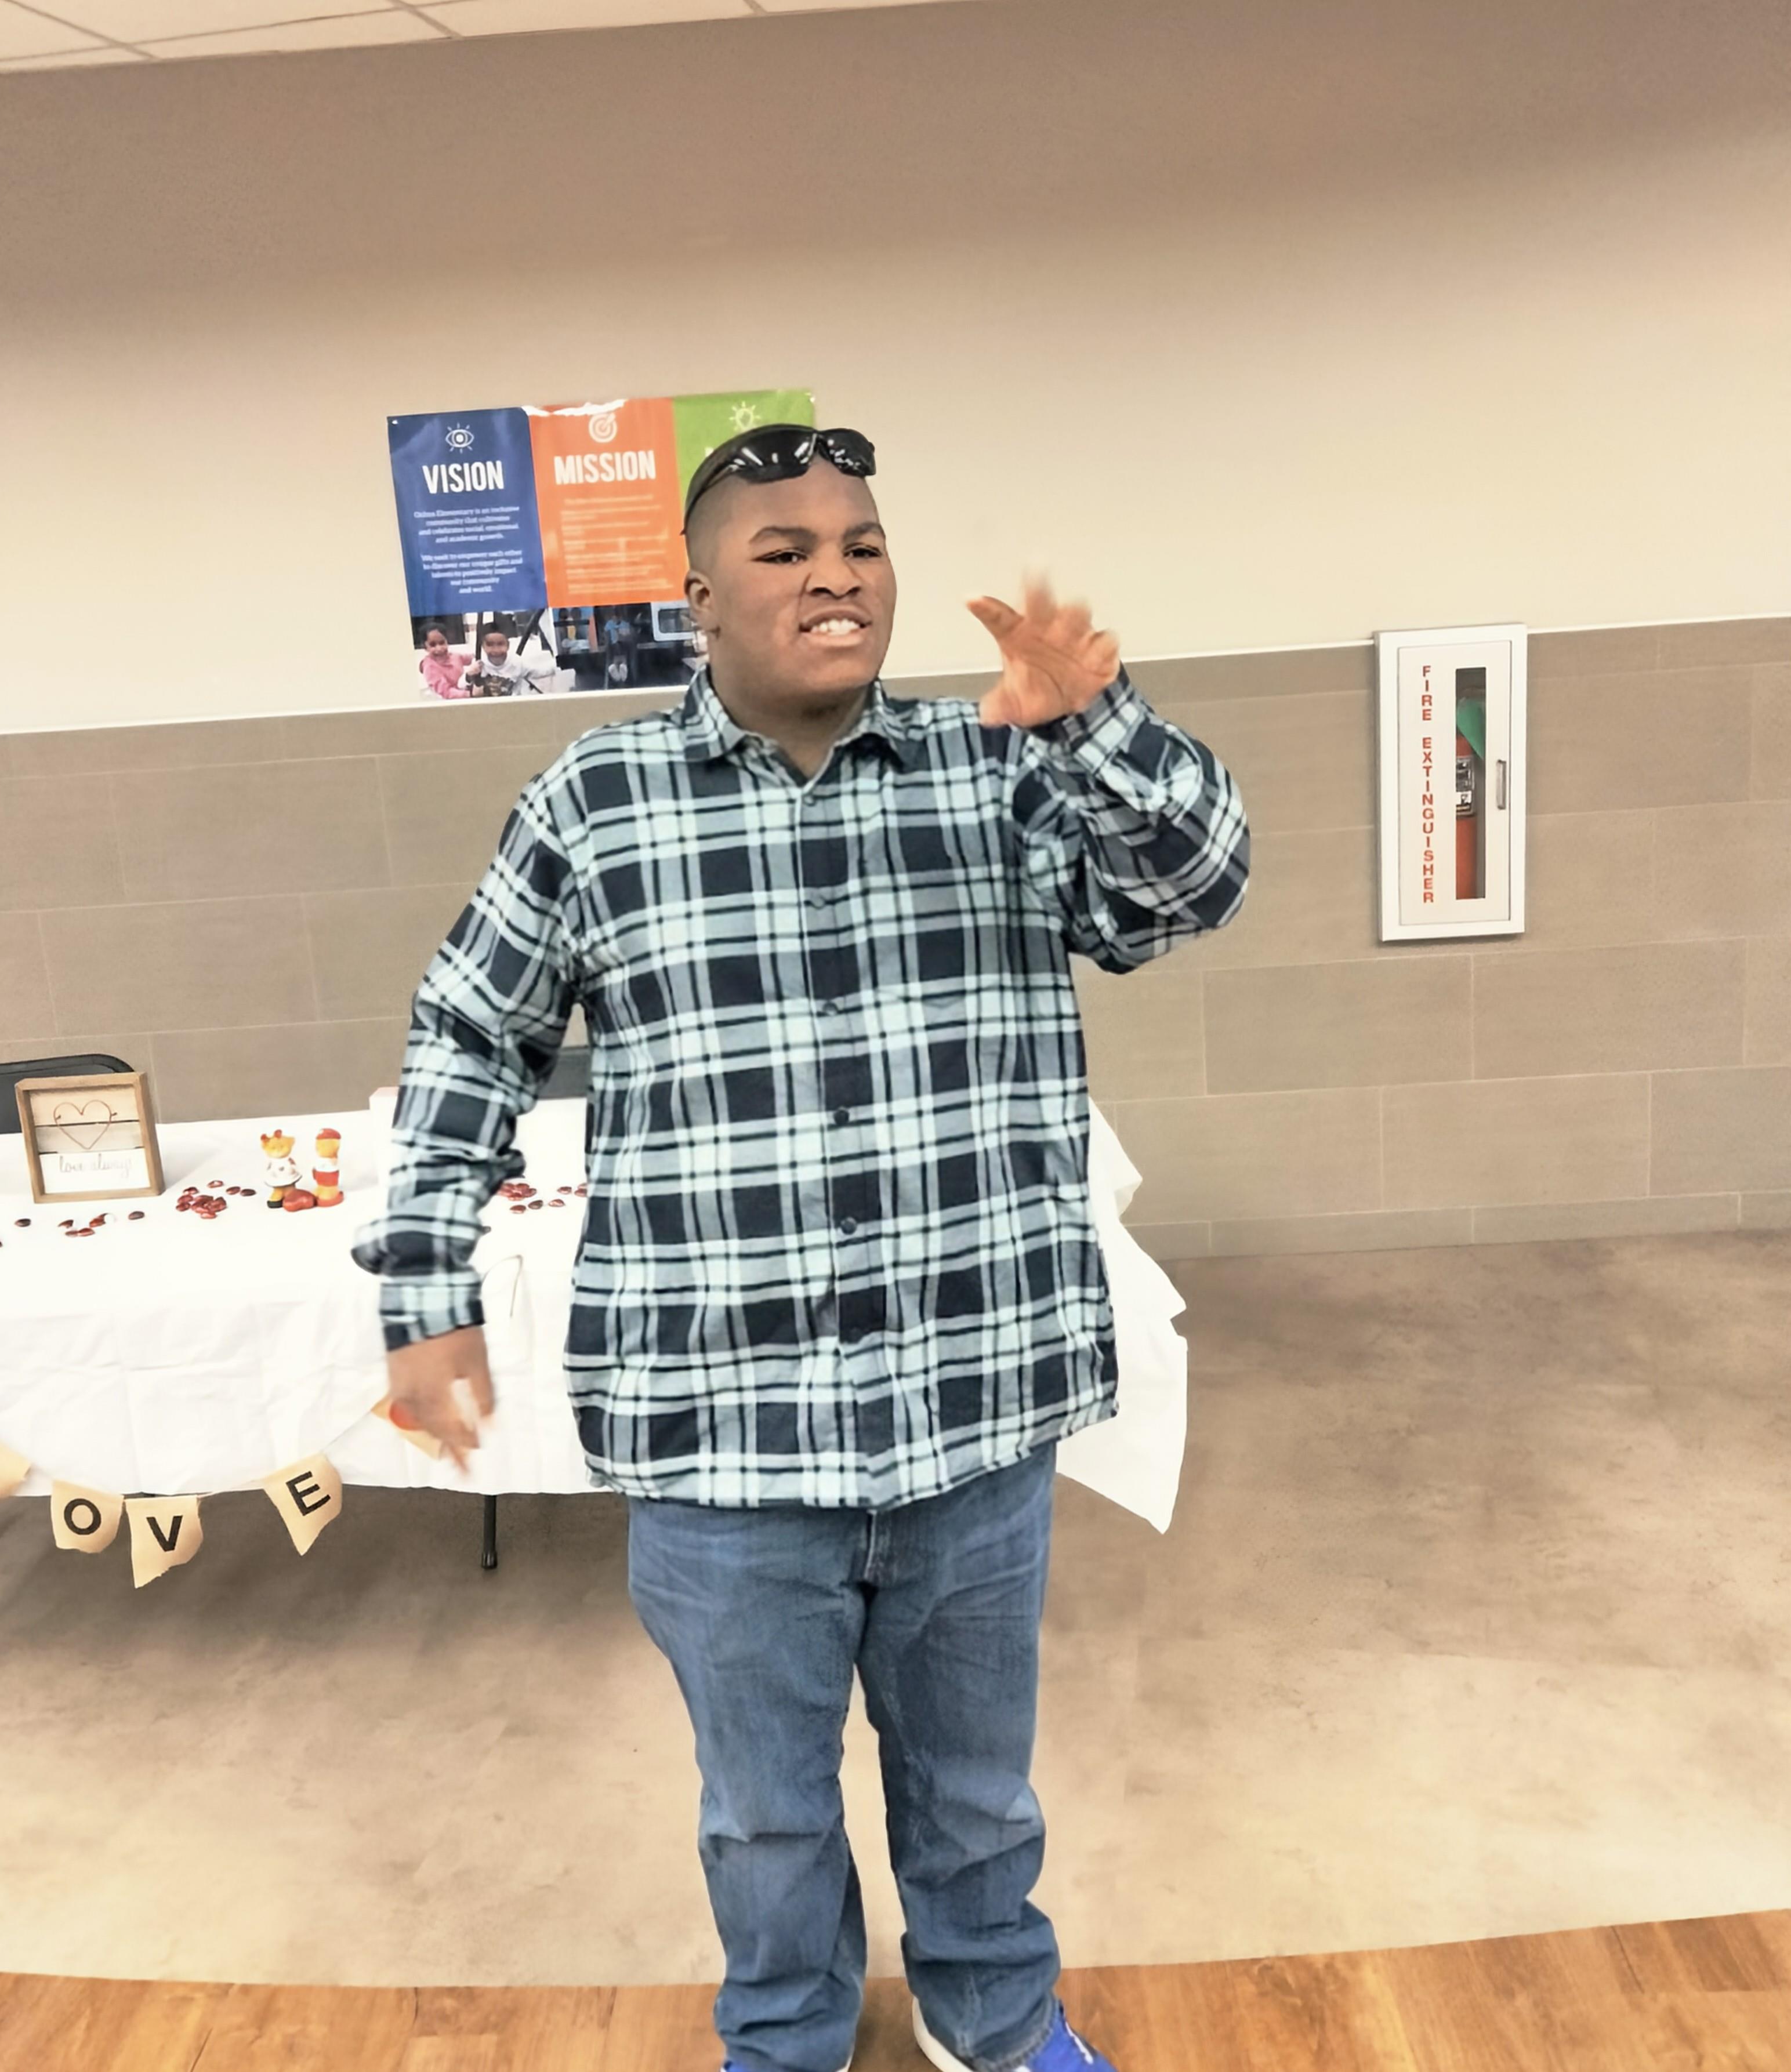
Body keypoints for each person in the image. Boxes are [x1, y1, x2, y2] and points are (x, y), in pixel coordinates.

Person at [356, 425, 1249, 2072]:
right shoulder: (595, 799)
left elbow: (1187, 891)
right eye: (786, 549)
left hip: (970, 1402)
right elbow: (467, 1036)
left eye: (862, 540)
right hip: (723, 1436)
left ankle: (996, 2018)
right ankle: (787, 2037)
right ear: (698, 595)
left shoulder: (1004, 767)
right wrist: (426, 1299)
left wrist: (1100, 721)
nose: (836, 569)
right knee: (763, 1818)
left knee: (977, 1789)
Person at [461, 621, 548, 696]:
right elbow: (460, 685)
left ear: (508, 645)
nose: (496, 650)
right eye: (490, 645)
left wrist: (558, 663)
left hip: (512, 708)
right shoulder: (479, 663)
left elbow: (541, 672)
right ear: (483, 647)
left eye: (500, 644)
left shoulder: (517, 662)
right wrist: (469, 675)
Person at [417, 622, 473, 699]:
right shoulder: (430, 667)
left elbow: (473, 658)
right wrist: (471, 694)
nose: (439, 649)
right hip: (445, 705)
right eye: (433, 645)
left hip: (464, 698)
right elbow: (446, 692)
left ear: (447, 642)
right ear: (425, 647)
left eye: (442, 643)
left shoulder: (455, 657)